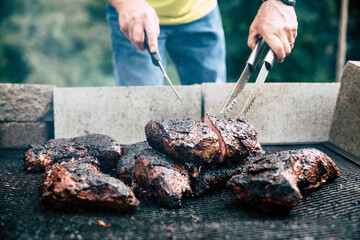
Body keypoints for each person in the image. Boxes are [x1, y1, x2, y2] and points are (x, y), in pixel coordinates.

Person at [105, 0, 297, 86]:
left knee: (214, 112)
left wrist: (281, 2)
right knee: (139, 110)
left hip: (201, 13)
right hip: (134, 16)